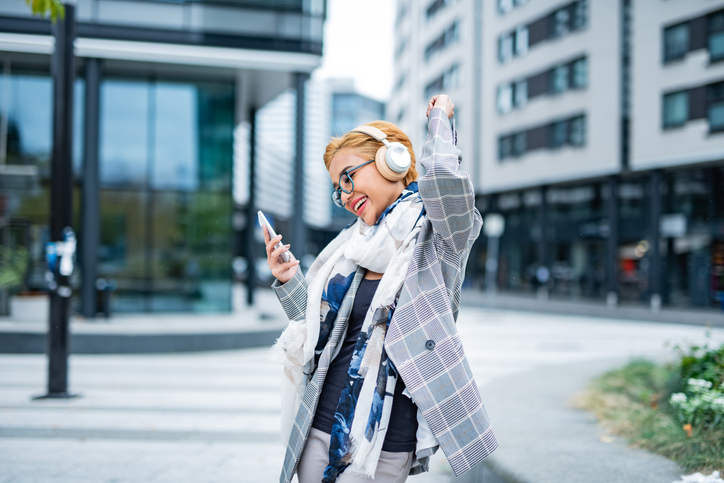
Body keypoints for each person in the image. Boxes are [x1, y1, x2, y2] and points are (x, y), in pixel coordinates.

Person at [264, 95, 497, 483]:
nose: (344, 194)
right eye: (337, 189)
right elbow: (316, 328)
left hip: (384, 438)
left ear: (393, 162)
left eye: (348, 177)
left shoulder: (439, 239)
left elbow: (445, 182)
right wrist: (290, 280)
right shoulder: (350, 248)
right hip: (318, 422)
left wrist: (439, 120)